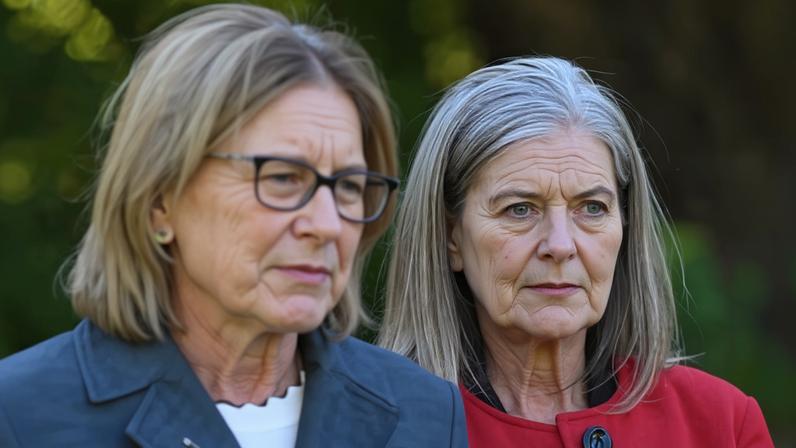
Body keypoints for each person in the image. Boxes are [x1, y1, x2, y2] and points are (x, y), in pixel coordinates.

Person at [0, 4, 467, 447]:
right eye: (283, 178)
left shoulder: (423, 412)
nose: (327, 225)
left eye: (348, 186)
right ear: (159, 199)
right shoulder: (22, 414)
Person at [379, 56, 774, 447]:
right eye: (520, 209)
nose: (561, 245)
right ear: (452, 237)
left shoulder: (719, 424)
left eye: (592, 208)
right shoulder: (378, 429)